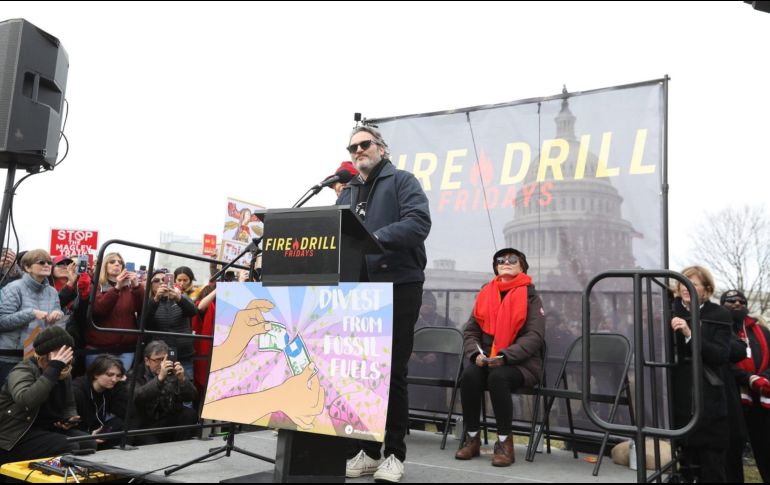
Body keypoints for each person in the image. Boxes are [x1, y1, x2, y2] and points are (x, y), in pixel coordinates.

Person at [339, 125, 431, 483]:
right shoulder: (347, 190)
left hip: (397, 285)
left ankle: (394, 454)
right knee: (361, 374)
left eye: (364, 144)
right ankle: (367, 451)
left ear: (381, 148)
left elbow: (418, 222)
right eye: (352, 147)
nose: (357, 150)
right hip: (357, 291)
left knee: (392, 373)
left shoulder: (403, 181)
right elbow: (334, 231)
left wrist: (374, 238)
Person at [454, 248, 545, 467]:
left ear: (522, 266)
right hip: (487, 360)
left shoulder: (531, 297)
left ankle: (505, 443)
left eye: (512, 259)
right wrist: (476, 354)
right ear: (495, 266)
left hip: (521, 364)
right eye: (500, 260)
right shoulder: (486, 292)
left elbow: (534, 336)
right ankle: (472, 438)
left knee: (498, 377)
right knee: (469, 375)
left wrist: (504, 356)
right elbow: (471, 331)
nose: (505, 262)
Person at [669, 266, 731, 483]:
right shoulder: (667, 311)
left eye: (693, 284)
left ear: (706, 288)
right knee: (681, 462)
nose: (687, 288)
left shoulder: (719, 314)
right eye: (683, 282)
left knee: (711, 464)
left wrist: (689, 334)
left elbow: (721, 354)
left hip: (707, 394)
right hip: (676, 392)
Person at [0, 326, 96, 465]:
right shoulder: (23, 370)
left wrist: (68, 419)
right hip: (16, 434)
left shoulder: (63, 372)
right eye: (61, 351)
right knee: (68, 445)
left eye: (68, 350)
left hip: (46, 428)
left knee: (88, 443)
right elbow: (26, 401)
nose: (66, 355)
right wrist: (54, 368)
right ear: (46, 354)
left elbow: (69, 405)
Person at [722, 289, 770, 482]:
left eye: (741, 301)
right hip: (732, 400)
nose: (737, 304)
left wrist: (764, 378)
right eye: (731, 301)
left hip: (762, 400)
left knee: (766, 449)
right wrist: (747, 378)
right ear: (722, 305)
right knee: (732, 452)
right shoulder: (718, 328)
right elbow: (722, 361)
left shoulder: (762, 331)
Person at [0, 250, 64, 384]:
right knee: (9, 402)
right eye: (41, 262)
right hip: (11, 357)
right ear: (27, 267)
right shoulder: (14, 288)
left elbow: (58, 313)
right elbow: (2, 321)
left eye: (49, 262)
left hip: (38, 356)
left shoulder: (52, 291)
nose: (47, 265)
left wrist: (58, 314)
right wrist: (31, 313)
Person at [128, 340, 197, 445]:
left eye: (165, 359)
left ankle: (181, 448)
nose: (162, 364)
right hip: (146, 425)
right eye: (158, 360)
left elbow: (192, 396)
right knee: (152, 445)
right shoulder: (135, 374)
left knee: (189, 414)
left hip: (168, 418)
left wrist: (183, 381)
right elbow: (138, 397)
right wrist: (160, 378)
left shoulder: (173, 369)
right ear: (147, 360)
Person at [88, 252, 144, 369]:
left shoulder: (130, 288)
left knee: (120, 383)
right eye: (112, 262)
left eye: (120, 262)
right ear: (105, 266)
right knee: (97, 382)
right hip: (99, 348)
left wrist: (137, 287)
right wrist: (117, 287)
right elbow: (99, 309)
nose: (117, 264)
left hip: (125, 349)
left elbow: (142, 309)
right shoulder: (96, 285)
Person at [146, 270, 197, 379]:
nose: (161, 282)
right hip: (160, 358)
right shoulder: (150, 302)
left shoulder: (181, 297)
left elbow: (193, 311)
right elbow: (145, 323)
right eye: (156, 280)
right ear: (151, 285)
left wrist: (178, 298)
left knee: (186, 388)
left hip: (183, 356)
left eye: (164, 279)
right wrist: (156, 300)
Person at [72, 354, 129, 449]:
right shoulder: (77, 391)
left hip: (97, 430)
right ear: (96, 374)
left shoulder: (110, 388)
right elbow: (71, 424)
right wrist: (89, 434)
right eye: (110, 375)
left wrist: (121, 385)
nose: (114, 379)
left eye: (118, 376)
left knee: (122, 424)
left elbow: (125, 412)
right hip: (80, 433)